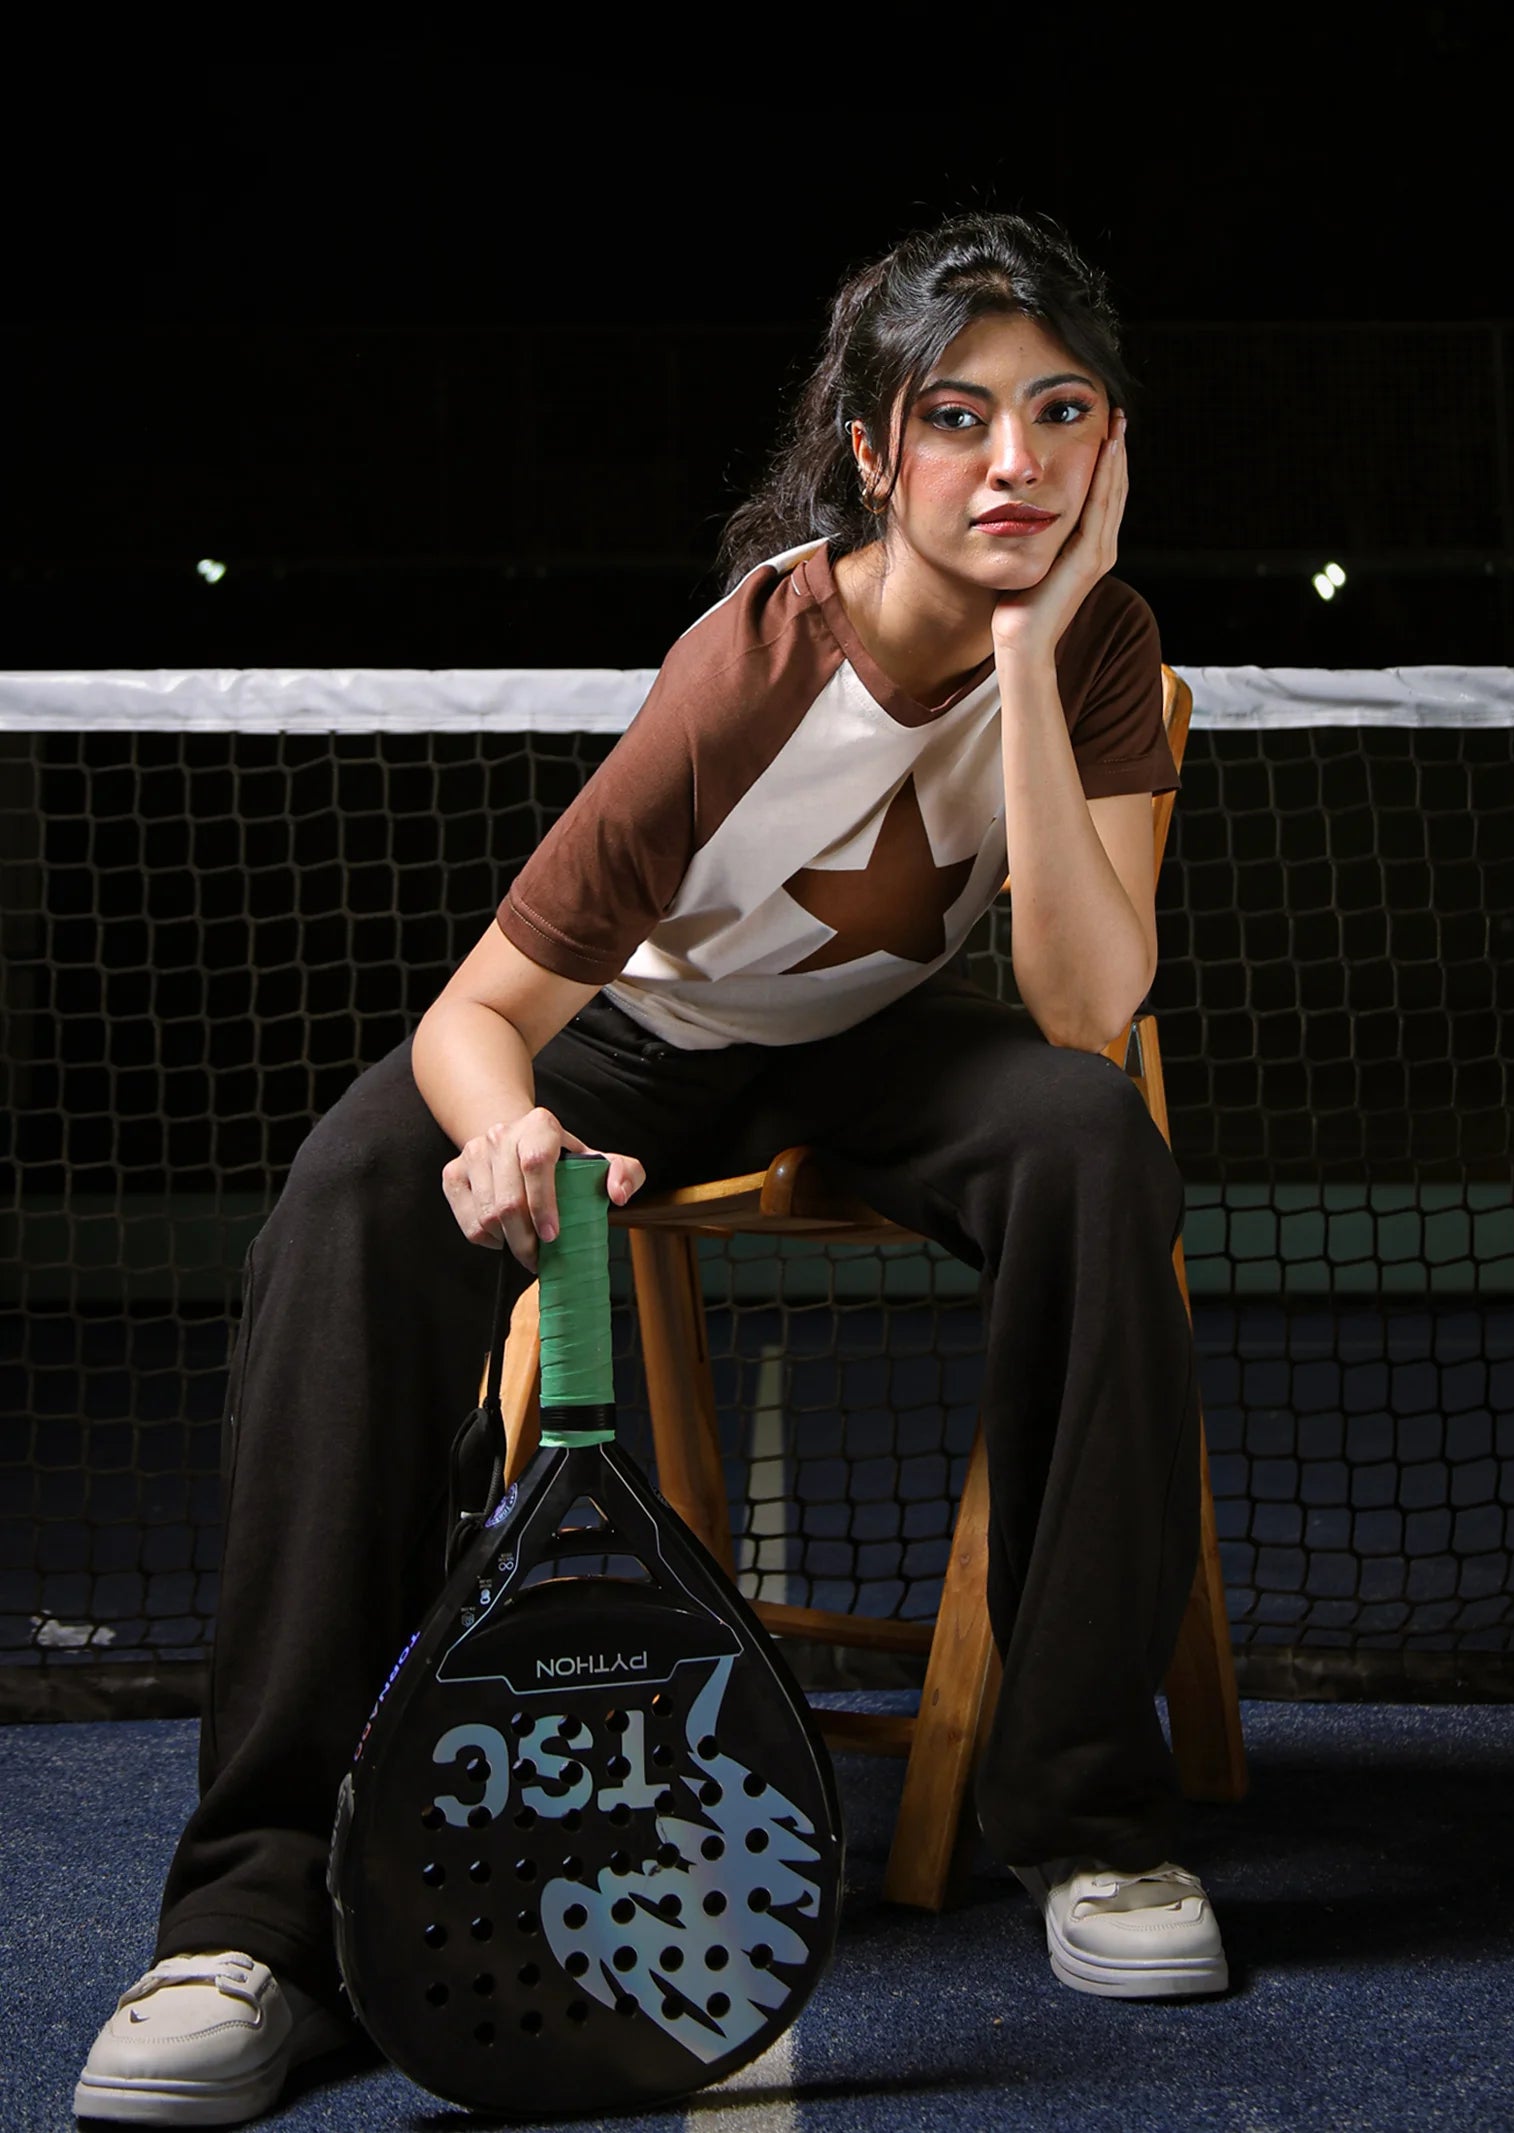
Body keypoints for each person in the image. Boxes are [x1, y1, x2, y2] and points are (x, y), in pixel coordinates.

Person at [76, 211, 1226, 2127]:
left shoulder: (1098, 646)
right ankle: (254, 1918)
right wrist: (513, 1126)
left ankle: (1086, 1816)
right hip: (641, 1046)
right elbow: (479, 1011)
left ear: (1111, 442)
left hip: (880, 1055)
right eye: (958, 416)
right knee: (353, 1198)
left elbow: (1087, 1004)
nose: (1013, 461)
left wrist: (1035, 644)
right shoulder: (755, 660)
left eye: (1061, 412)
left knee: (1091, 1144)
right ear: (874, 448)